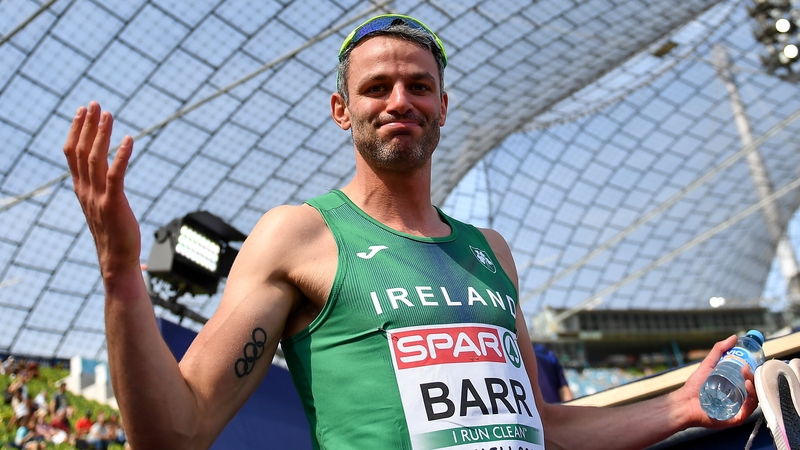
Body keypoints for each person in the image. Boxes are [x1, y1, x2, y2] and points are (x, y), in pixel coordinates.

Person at [62, 13, 759, 450]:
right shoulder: (299, 236)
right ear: (342, 109)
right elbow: (176, 434)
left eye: (419, 86)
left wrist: (683, 406)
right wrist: (122, 276)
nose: (400, 101)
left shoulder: (491, 253)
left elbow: (541, 429)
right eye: (377, 87)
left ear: (443, 106)